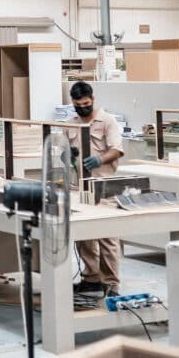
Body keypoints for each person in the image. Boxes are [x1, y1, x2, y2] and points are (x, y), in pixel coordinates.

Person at [66, 80, 125, 298]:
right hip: (79, 187)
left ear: (93, 99)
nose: (83, 108)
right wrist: (67, 156)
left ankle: (111, 284)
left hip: (104, 187)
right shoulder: (71, 123)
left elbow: (117, 150)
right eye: (78, 105)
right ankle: (91, 278)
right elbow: (63, 149)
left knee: (107, 236)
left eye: (86, 104)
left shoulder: (107, 121)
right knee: (84, 236)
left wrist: (99, 160)